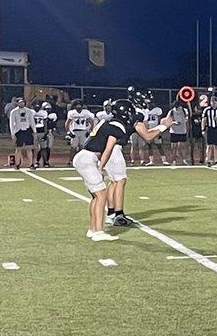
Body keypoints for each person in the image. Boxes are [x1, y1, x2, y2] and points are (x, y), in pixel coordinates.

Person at [71, 98, 169, 241]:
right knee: (101, 195)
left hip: (83, 157)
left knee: (96, 196)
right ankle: (98, 231)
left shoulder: (107, 122)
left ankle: (93, 229)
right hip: (89, 159)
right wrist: (100, 167)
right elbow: (108, 149)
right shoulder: (118, 128)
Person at [8, 97, 36, 170]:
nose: (21, 103)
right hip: (19, 131)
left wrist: (34, 131)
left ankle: (31, 164)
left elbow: (32, 121)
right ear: (17, 103)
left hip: (27, 130)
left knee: (29, 148)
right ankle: (17, 164)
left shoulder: (29, 111)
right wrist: (12, 133)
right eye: (20, 102)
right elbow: (11, 123)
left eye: (22, 102)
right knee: (18, 149)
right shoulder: (14, 112)